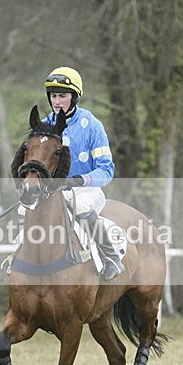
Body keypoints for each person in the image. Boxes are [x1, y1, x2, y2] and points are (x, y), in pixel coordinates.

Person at [43, 66, 124, 280]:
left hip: (86, 191)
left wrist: (79, 180)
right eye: (53, 96)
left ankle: (111, 257)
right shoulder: (44, 126)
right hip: (53, 191)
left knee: (79, 205)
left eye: (62, 96)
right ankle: (17, 256)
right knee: (27, 208)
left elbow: (106, 171)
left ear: (75, 97)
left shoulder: (92, 126)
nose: (57, 101)